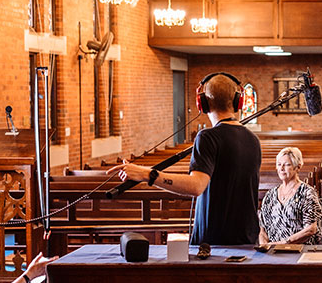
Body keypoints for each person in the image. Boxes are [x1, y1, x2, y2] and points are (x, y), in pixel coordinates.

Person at [110, 72, 261, 245]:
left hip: (215, 241)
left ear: (202, 103)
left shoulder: (207, 137)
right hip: (248, 238)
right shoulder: (253, 139)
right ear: (238, 102)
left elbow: (196, 186)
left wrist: (148, 174)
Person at [258, 147, 322, 245]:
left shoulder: (307, 193)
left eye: (287, 165)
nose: (281, 169)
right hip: (273, 250)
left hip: (299, 249)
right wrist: (264, 246)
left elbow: (311, 229)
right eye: (279, 164)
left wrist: (284, 243)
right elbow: (262, 229)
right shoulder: (270, 195)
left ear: (298, 167)